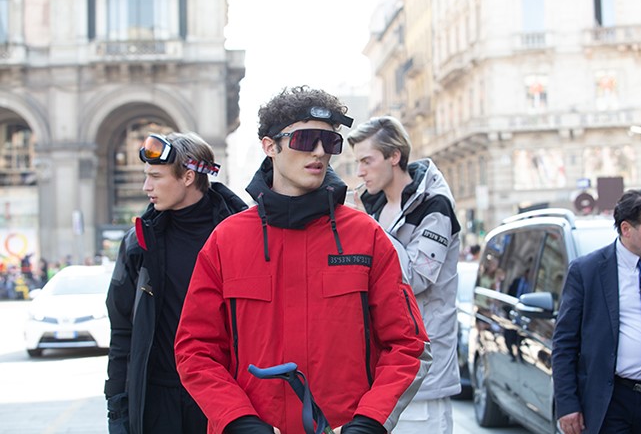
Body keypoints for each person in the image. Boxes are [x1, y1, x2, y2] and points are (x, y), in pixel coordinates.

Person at [174, 86, 431, 434]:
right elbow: (195, 349)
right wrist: (237, 420)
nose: (320, 151)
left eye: (331, 142)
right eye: (306, 139)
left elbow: (408, 344)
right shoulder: (226, 240)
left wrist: (370, 421)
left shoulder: (366, 236)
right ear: (270, 146)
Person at [104, 132, 247, 434]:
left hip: (224, 397)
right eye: (146, 176)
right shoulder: (138, 243)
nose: (146, 187)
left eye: (156, 177)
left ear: (188, 177)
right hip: (158, 400)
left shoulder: (242, 237)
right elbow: (122, 330)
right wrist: (117, 406)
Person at [347, 115, 461, 434]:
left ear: (394, 156)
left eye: (367, 161)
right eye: (357, 162)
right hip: (380, 375)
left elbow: (416, 278)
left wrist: (368, 228)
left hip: (423, 376)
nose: (360, 171)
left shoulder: (435, 206)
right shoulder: (375, 206)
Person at [553, 189, 641, 434]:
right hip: (611, 400)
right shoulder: (588, 271)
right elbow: (565, 342)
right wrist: (567, 403)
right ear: (626, 229)